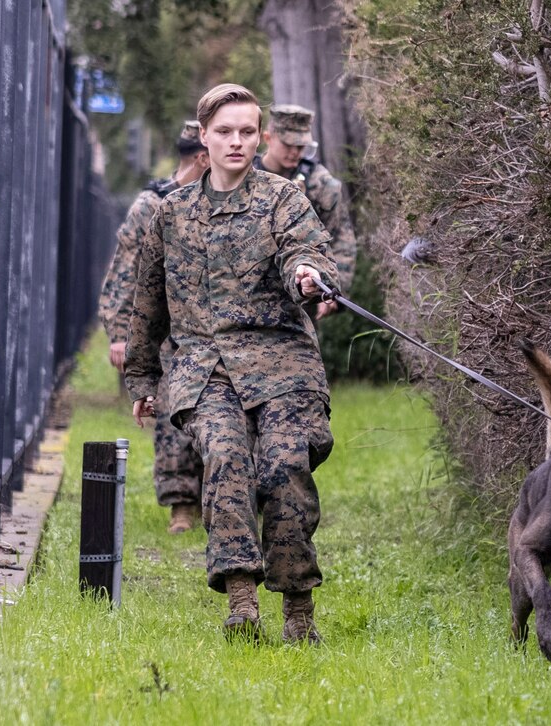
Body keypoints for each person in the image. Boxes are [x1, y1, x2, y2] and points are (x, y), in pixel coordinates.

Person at [124, 83, 339, 644]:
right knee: (224, 459)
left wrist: (308, 275)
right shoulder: (170, 213)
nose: (237, 142)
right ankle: (242, 600)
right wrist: (143, 378)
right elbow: (148, 301)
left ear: (261, 136)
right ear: (204, 138)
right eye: (224, 132)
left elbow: (308, 249)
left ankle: (298, 611)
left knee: (285, 466)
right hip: (206, 367)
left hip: (283, 363)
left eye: (247, 131)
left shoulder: (284, 199)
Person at [97, 121, 211, 534]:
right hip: (165, 328)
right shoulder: (152, 205)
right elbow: (125, 270)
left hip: (211, 326)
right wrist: (119, 333)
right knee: (168, 415)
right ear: (202, 157)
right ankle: (181, 503)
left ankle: (222, 499)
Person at [254, 104, 357, 321]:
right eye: (288, 144)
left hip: (301, 295)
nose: (295, 152)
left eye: (301, 146)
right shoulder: (245, 176)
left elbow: (341, 239)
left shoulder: (321, 184)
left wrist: (333, 290)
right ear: (268, 137)